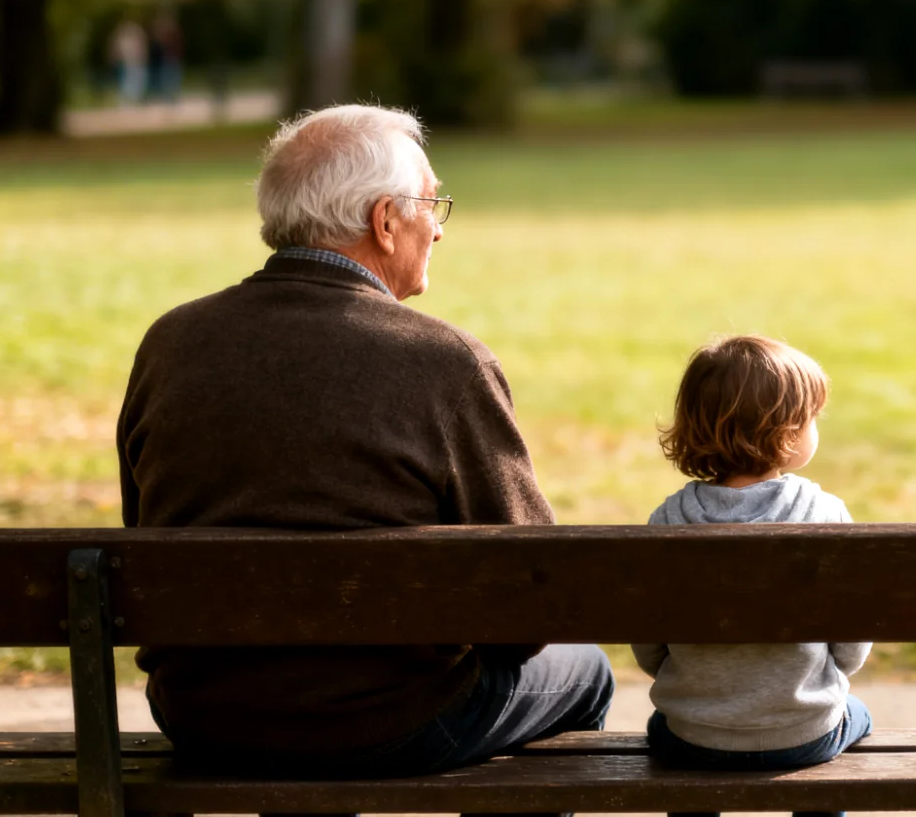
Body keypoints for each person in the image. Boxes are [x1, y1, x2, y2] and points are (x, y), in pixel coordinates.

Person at [118, 104, 613, 781]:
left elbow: (141, 523)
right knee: (587, 669)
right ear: (384, 220)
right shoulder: (444, 361)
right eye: (431, 203)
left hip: (203, 712)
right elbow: (530, 600)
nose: (437, 226)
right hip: (391, 718)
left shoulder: (170, 343)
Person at [634, 335, 871, 817]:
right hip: (803, 733)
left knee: (664, 734)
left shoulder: (668, 519)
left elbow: (648, 649)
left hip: (693, 736)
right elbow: (850, 649)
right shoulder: (824, 513)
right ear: (785, 430)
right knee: (856, 716)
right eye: (811, 418)